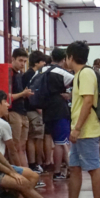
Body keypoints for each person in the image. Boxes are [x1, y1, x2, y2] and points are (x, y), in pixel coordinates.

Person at [65, 41, 100, 198]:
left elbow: (88, 102)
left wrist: (77, 128)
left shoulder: (86, 74)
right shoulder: (79, 75)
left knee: (93, 168)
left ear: (70, 57)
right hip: (80, 130)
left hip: (86, 131)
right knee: (74, 168)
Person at [0, 90, 45, 189]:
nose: (8, 105)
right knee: (33, 176)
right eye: (5, 102)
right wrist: (19, 171)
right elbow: (12, 152)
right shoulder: (3, 124)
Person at [42, 48, 74, 180]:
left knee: (53, 140)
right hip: (60, 109)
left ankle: (59, 168)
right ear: (64, 59)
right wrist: (70, 95)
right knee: (61, 142)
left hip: (45, 110)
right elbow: (79, 85)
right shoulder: (62, 73)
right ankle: (59, 171)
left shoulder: (41, 70)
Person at [8, 48, 33, 168]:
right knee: (15, 146)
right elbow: (7, 97)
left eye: (25, 61)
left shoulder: (20, 75)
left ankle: (26, 172)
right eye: (20, 60)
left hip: (23, 112)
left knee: (22, 146)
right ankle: (19, 172)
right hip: (13, 112)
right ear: (13, 59)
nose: (22, 64)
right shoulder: (9, 74)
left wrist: (25, 94)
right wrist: (23, 94)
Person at [23, 51, 47, 174]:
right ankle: (34, 163)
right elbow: (31, 94)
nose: (44, 64)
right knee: (34, 137)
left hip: (30, 109)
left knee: (34, 137)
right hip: (32, 110)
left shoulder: (30, 74)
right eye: (43, 61)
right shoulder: (32, 75)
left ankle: (36, 163)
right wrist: (39, 108)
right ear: (37, 63)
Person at [41, 56, 55, 169]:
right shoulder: (55, 73)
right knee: (50, 136)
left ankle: (48, 160)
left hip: (46, 109)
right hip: (49, 109)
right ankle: (49, 160)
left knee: (48, 136)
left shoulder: (42, 74)